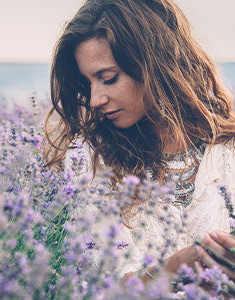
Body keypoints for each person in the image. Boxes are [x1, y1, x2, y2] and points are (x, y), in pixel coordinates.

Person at [44, 0, 235, 286]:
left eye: (108, 78)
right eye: (89, 84)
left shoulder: (228, 150)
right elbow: (102, 287)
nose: (95, 99)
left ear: (155, 64)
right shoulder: (90, 161)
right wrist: (179, 267)